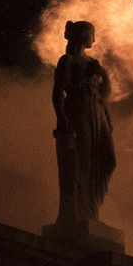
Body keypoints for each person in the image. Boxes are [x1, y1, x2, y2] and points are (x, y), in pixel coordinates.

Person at [51, 19, 116, 224]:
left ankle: (93, 209)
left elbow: (105, 93)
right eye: (91, 33)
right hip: (78, 110)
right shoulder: (68, 60)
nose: (94, 37)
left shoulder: (92, 63)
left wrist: (102, 74)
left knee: (107, 161)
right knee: (84, 161)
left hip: (97, 111)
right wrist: (62, 117)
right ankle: (84, 213)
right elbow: (58, 92)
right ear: (82, 35)